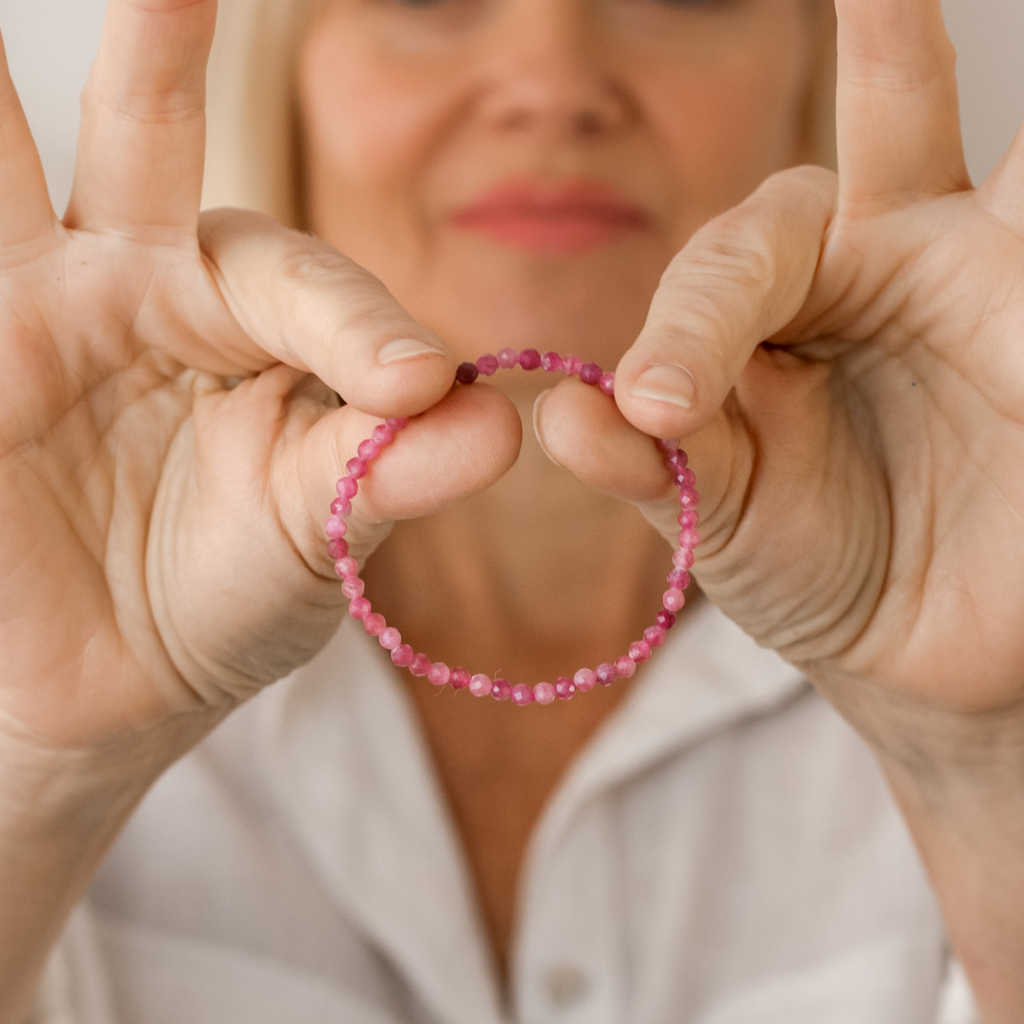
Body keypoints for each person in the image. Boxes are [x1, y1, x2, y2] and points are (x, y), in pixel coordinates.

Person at [1, 0, 1022, 1020]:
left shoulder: (985, 585)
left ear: (811, 79)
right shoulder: (69, 581)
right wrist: (31, 773)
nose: (550, 87)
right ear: (291, 84)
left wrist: (988, 765)